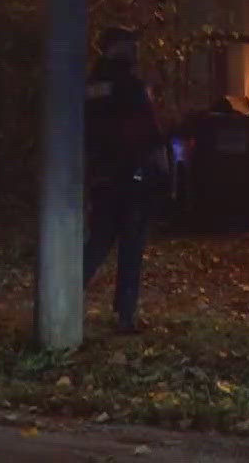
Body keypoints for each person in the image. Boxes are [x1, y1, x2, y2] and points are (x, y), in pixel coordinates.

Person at [82, 26, 168, 334]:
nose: (135, 50)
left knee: (98, 242)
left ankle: (66, 297)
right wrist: (161, 168)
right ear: (115, 47)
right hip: (132, 177)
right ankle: (125, 316)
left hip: (103, 177)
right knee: (131, 246)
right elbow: (149, 131)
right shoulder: (132, 87)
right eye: (130, 44)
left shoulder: (92, 85)